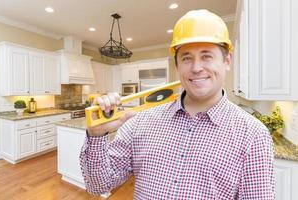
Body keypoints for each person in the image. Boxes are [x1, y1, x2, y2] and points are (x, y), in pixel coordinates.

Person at [80, 9, 275, 199]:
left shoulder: (253, 136)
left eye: (207, 56)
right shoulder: (140, 121)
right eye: (187, 58)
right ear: (177, 65)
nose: (197, 67)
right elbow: (98, 185)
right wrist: (97, 136)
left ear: (227, 61)